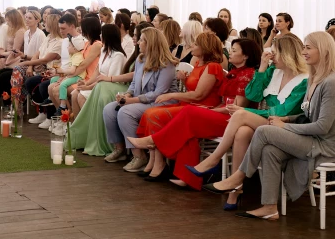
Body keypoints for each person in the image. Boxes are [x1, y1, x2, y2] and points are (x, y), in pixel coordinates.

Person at [204, 31, 335, 221]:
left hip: (323, 145)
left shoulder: (330, 83)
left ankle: (238, 177)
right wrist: (287, 119)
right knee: (269, 150)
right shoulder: (314, 78)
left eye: (308, 48)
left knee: (265, 131)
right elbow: (306, 115)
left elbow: (322, 127)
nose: (303, 52)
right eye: (303, 47)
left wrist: (284, 126)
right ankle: (269, 207)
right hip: (309, 138)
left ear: (323, 51)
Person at [127, 39, 260, 193]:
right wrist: (212, 109)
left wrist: (212, 110)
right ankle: (188, 177)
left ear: (246, 56)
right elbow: (223, 102)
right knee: (188, 129)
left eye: (234, 50)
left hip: (233, 120)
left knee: (188, 112)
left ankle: (154, 141)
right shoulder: (233, 72)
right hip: (223, 114)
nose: (230, 52)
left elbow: (236, 109)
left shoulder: (247, 75)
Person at [188, 34, 308, 198]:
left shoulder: (304, 80)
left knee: (240, 115)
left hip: (287, 126)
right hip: (269, 121)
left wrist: (246, 111)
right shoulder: (274, 71)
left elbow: (283, 113)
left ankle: (214, 159)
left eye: (275, 53)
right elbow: (253, 95)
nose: (271, 57)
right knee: (242, 132)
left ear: (287, 54)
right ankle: (234, 191)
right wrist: (262, 68)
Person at [130, 32, 225, 180]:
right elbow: (195, 91)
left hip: (200, 108)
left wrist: (172, 95)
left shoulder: (213, 67)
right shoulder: (199, 64)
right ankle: (154, 161)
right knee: (150, 112)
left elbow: (199, 95)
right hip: (189, 105)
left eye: (196, 44)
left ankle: (158, 161)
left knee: (155, 115)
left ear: (205, 48)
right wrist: (185, 81)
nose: (192, 46)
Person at [102, 27, 178, 172]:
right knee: (109, 109)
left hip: (161, 102)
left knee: (125, 112)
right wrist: (127, 95)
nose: (138, 43)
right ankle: (120, 149)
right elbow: (134, 83)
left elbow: (159, 93)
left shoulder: (166, 63)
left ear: (151, 43)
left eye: (142, 40)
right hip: (143, 100)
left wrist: (132, 100)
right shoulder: (141, 59)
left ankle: (139, 155)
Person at [69, 23, 127, 155]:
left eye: (102, 34)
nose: (100, 35)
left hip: (110, 88)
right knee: (74, 93)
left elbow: (108, 79)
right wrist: (85, 83)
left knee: (81, 96)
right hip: (100, 84)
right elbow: (97, 72)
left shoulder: (118, 55)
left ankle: (92, 136)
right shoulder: (104, 51)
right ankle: (81, 135)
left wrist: (88, 86)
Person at [49, 16, 101, 116]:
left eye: (82, 28)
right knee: (51, 87)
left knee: (56, 90)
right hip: (82, 75)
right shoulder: (87, 43)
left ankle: (68, 119)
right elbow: (77, 60)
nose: (80, 30)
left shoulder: (97, 45)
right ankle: (64, 118)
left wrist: (67, 76)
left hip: (89, 78)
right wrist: (65, 76)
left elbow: (83, 64)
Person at [24, 15, 64, 127]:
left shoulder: (60, 42)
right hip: (46, 70)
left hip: (55, 71)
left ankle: (50, 117)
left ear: (51, 24)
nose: (44, 24)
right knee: (29, 82)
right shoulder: (48, 37)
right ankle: (42, 112)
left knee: (43, 86)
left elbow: (46, 59)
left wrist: (26, 63)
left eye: (46, 22)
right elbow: (37, 53)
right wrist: (30, 66)